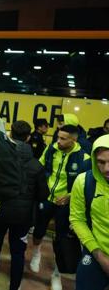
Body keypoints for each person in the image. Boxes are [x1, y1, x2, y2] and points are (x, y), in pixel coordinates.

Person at [30, 124, 91, 290]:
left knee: (61, 240)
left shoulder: (84, 159)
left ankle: (55, 274)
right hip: (46, 198)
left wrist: (70, 197)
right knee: (38, 231)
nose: (58, 141)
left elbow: (85, 184)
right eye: (58, 137)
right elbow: (39, 167)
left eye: (63, 139)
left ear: (74, 140)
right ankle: (36, 253)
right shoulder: (51, 149)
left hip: (65, 203)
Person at [0, 120, 49, 290]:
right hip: (23, 218)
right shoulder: (36, 166)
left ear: (10, 134)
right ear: (28, 137)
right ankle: (14, 287)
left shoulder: (0, 160)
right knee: (17, 254)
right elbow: (43, 194)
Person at [70, 134, 109, 290]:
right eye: (101, 162)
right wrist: (100, 256)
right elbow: (77, 219)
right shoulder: (84, 181)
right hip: (95, 252)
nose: (107, 169)